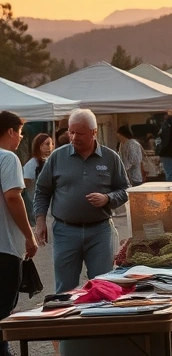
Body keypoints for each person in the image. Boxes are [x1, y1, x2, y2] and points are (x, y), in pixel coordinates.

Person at [34, 108, 129, 293]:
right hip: (65, 232)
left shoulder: (110, 158)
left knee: (103, 286)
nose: (73, 137)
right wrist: (40, 221)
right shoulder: (57, 157)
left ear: (94, 132)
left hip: (100, 232)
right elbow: (42, 190)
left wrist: (107, 198)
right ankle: (67, 321)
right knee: (65, 289)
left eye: (80, 133)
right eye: (71, 131)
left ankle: (101, 321)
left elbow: (126, 190)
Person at [1, 112, 38, 356]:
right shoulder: (8, 158)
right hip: (4, 247)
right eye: (21, 133)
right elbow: (13, 197)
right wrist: (29, 235)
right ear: (11, 131)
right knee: (3, 310)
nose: (21, 139)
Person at [23, 133, 54, 227]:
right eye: (47, 144)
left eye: (52, 144)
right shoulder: (32, 164)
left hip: (52, 209)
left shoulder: (52, 161)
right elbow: (24, 185)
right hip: (37, 208)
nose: (50, 147)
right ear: (39, 146)